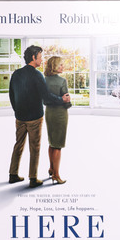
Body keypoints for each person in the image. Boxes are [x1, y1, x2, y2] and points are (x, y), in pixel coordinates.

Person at [8, 45, 70, 188]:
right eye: (40, 57)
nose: (42, 60)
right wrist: (62, 100)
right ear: (34, 57)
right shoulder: (37, 75)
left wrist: (17, 111)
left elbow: (11, 95)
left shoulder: (16, 74)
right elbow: (46, 96)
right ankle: (33, 178)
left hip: (20, 117)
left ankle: (13, 174)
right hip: (35, 117)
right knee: (34, 148)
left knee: (18, 145)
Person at [43, 56, 72, 185]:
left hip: (49, 113)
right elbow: (66, 99)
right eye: (60, 65)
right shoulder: (62, 81)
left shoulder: (43, 80)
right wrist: (68, 103)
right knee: (58, 145)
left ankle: (51, 168)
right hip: (60, 114)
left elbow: (44, 100)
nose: (62, 67)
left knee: (51, 142)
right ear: (54, 66)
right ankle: (56, 174)